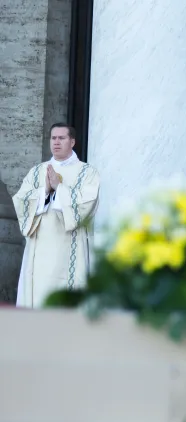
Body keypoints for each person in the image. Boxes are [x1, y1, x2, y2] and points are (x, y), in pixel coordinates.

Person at [12, 123, 100, 308]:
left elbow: (87, 204)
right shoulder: (37, 172)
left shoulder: (87, 172)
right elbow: (21, 199)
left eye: (62, 138)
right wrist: (45, 189)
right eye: (53, 138)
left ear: (72, 142)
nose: (56, 142)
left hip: (69, 245)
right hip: (40, 244)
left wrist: (59, 188)